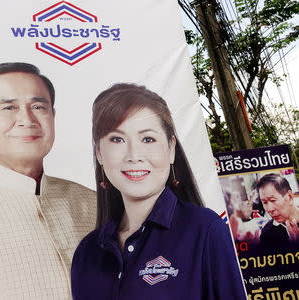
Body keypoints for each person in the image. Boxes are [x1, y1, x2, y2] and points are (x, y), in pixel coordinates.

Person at [0, 62, 96, 299]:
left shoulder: (91, 202)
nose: (26, 119)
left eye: (39, 106)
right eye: (9, 107)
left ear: (53, 116)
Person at [71, 83, 246, 299]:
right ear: (99, 152)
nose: (134, 155)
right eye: (117, 139)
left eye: (147, 139)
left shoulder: (205, 230)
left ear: (171, 148)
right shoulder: (87, 252)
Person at [256, 173, 299, 248]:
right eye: (265, 202)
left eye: (273, 200)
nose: (270, 209)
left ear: (289, 196)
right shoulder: (267, 233)